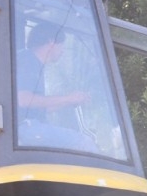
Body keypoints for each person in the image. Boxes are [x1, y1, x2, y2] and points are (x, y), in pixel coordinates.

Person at [15, 22, 95, 151]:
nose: (63, 50)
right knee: (84, 142)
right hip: (24, 128)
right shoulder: (27, 61)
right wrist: (68, 98)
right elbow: (23, 99)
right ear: (51, 42)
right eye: (62, 44)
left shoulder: (31, 62)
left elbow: (40, 108)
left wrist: (71, 101)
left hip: (26, 127)